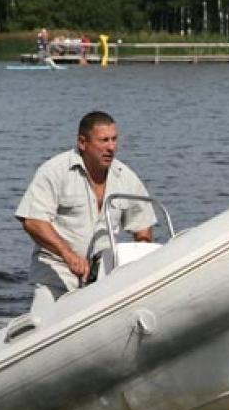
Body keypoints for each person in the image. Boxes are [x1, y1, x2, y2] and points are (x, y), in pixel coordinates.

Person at [15, 111, 156, 313]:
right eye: (104, 140)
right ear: (83, 143)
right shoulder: (55, 170)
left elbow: (143, 226)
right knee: (43, 324)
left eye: (114, 140)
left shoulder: (126, 177)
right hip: (57, 273)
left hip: (105, 278)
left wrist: (138, 252)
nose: (111, 147)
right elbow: (33, 221)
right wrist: (69, 256)